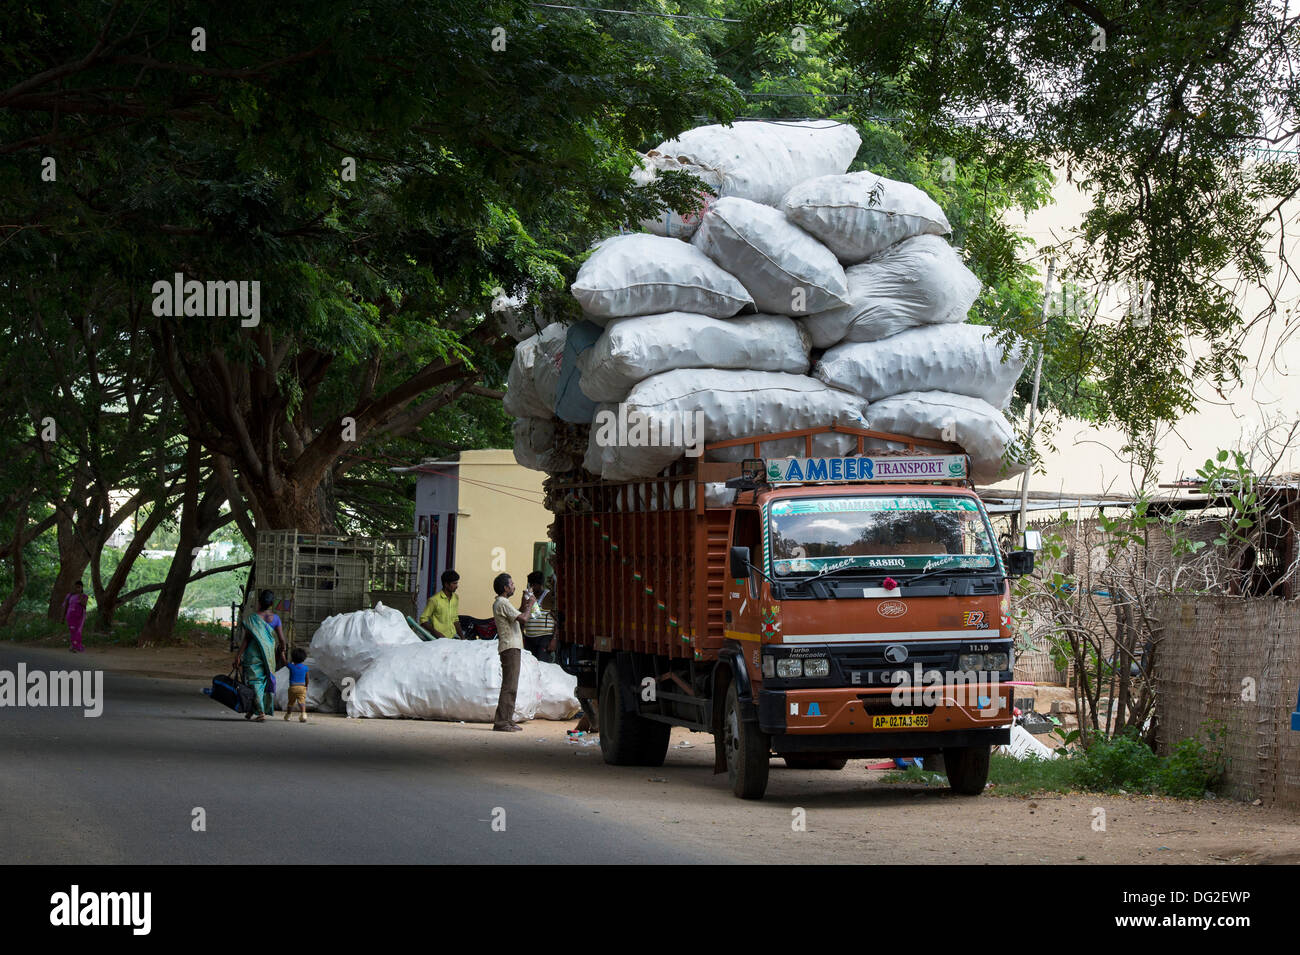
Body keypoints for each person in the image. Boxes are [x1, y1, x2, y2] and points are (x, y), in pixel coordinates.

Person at [491, 572, 534, 732]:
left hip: (511, 647)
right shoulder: (502, 602)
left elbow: (518, 613)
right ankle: (502, 722)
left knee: (511, 685)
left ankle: (507, 720)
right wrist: (530, 605)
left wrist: (525, 603)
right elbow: (523, 618)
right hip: (510, 647)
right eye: (512, 584)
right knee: (509, 686)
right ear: (505, 587)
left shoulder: (503, 603)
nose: (514, 586)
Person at [236, 590, 279, 722]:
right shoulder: (275, 619)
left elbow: (246, 639)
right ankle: (251, 710)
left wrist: (238, 655)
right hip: (269, 657)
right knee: (263, 682)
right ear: (272, 604)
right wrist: (282, 650)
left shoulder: (252, 619)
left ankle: (260, 712)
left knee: (254, 683)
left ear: (259, 602)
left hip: (253, 656)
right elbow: (282, 640)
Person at [521, 571, 556, 663]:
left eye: (533, 585)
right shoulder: (528, 596)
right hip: (529, 637)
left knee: (542, 664)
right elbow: (522, 612)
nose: (531, 587)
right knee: (530, 665)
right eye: (530, 584)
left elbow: (557, 619)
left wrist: (554, 639)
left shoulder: (548, 596)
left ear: (539, 584)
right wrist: (525, 598)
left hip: (544, 637)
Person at [419, 570, 464, 639]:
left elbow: (455, 619)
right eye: (454, 583)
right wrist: (435, 633)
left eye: (457, 583)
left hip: (453, 638)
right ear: (446, 584)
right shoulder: (434, 600)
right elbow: (423, 620)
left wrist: (462, 637)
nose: (457, 586)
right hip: (438, 640)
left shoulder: (455, 598)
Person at [284, 647, 310, 723]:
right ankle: (303, 715)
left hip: (292, 687)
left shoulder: (291, 666)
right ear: (304, 658)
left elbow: (284, 662)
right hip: (302, 687)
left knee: (291, 702)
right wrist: (306, 686)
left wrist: (282, 653)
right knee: (301, 701)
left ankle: (288, 715)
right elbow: (307, 679)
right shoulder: (305, 668)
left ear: (293, 658)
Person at [63, 581, 88, 654]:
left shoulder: (84, 596)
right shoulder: (69, 596)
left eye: (79, 587)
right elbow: (65, 607)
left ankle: (76, 646)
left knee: (78, 631)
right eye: (75, 587)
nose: (77, 589)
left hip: (80, 616)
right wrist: (63, 617)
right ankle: (73, 645)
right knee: (72, 631)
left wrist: (80, 598)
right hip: (70, 616)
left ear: (81, 588)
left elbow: (84, 605)